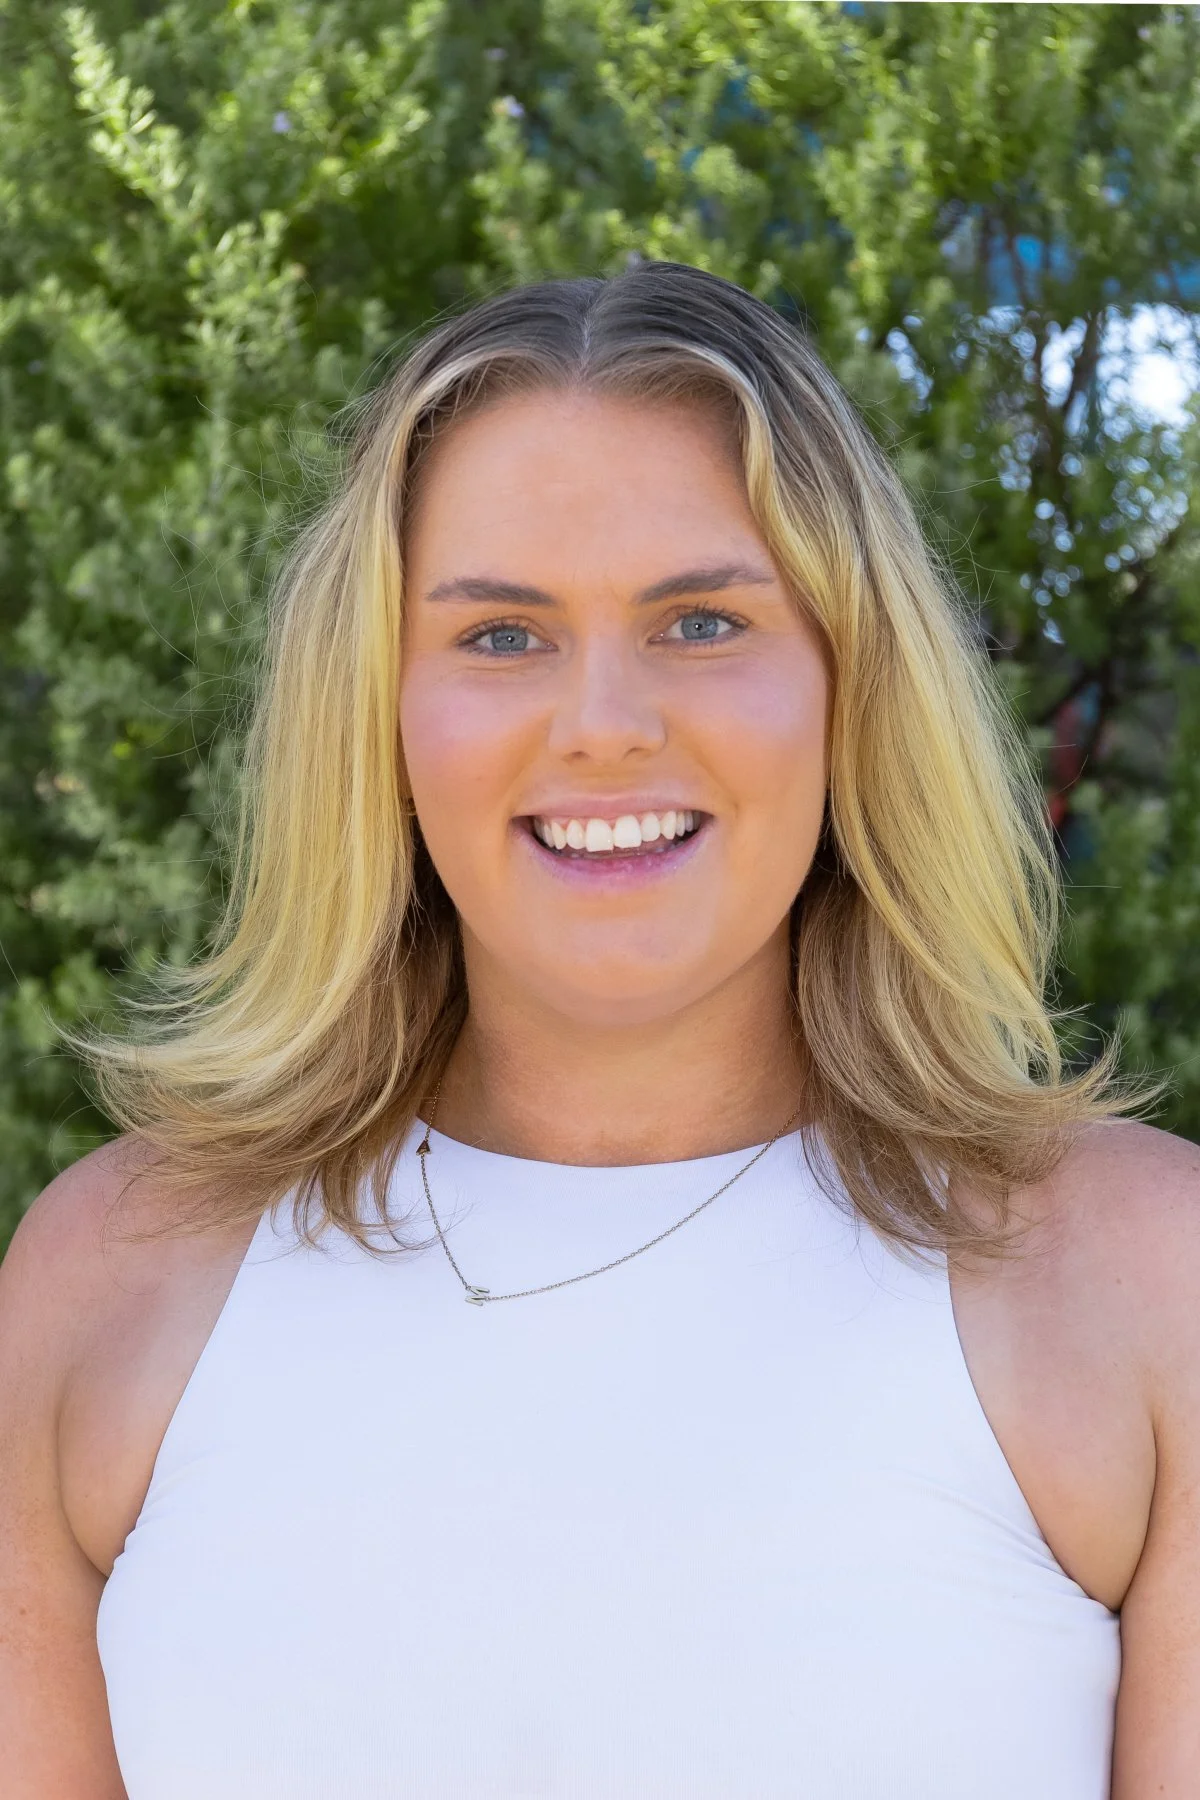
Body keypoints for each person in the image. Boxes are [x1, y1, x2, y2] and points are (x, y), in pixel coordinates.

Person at [1, 263, 1197, 1800]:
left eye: (701, 620)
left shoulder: (1145, 1283)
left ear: (850, 686)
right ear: (380, 711)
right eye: (501, 637)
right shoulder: (104, 1283)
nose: (606, 723)